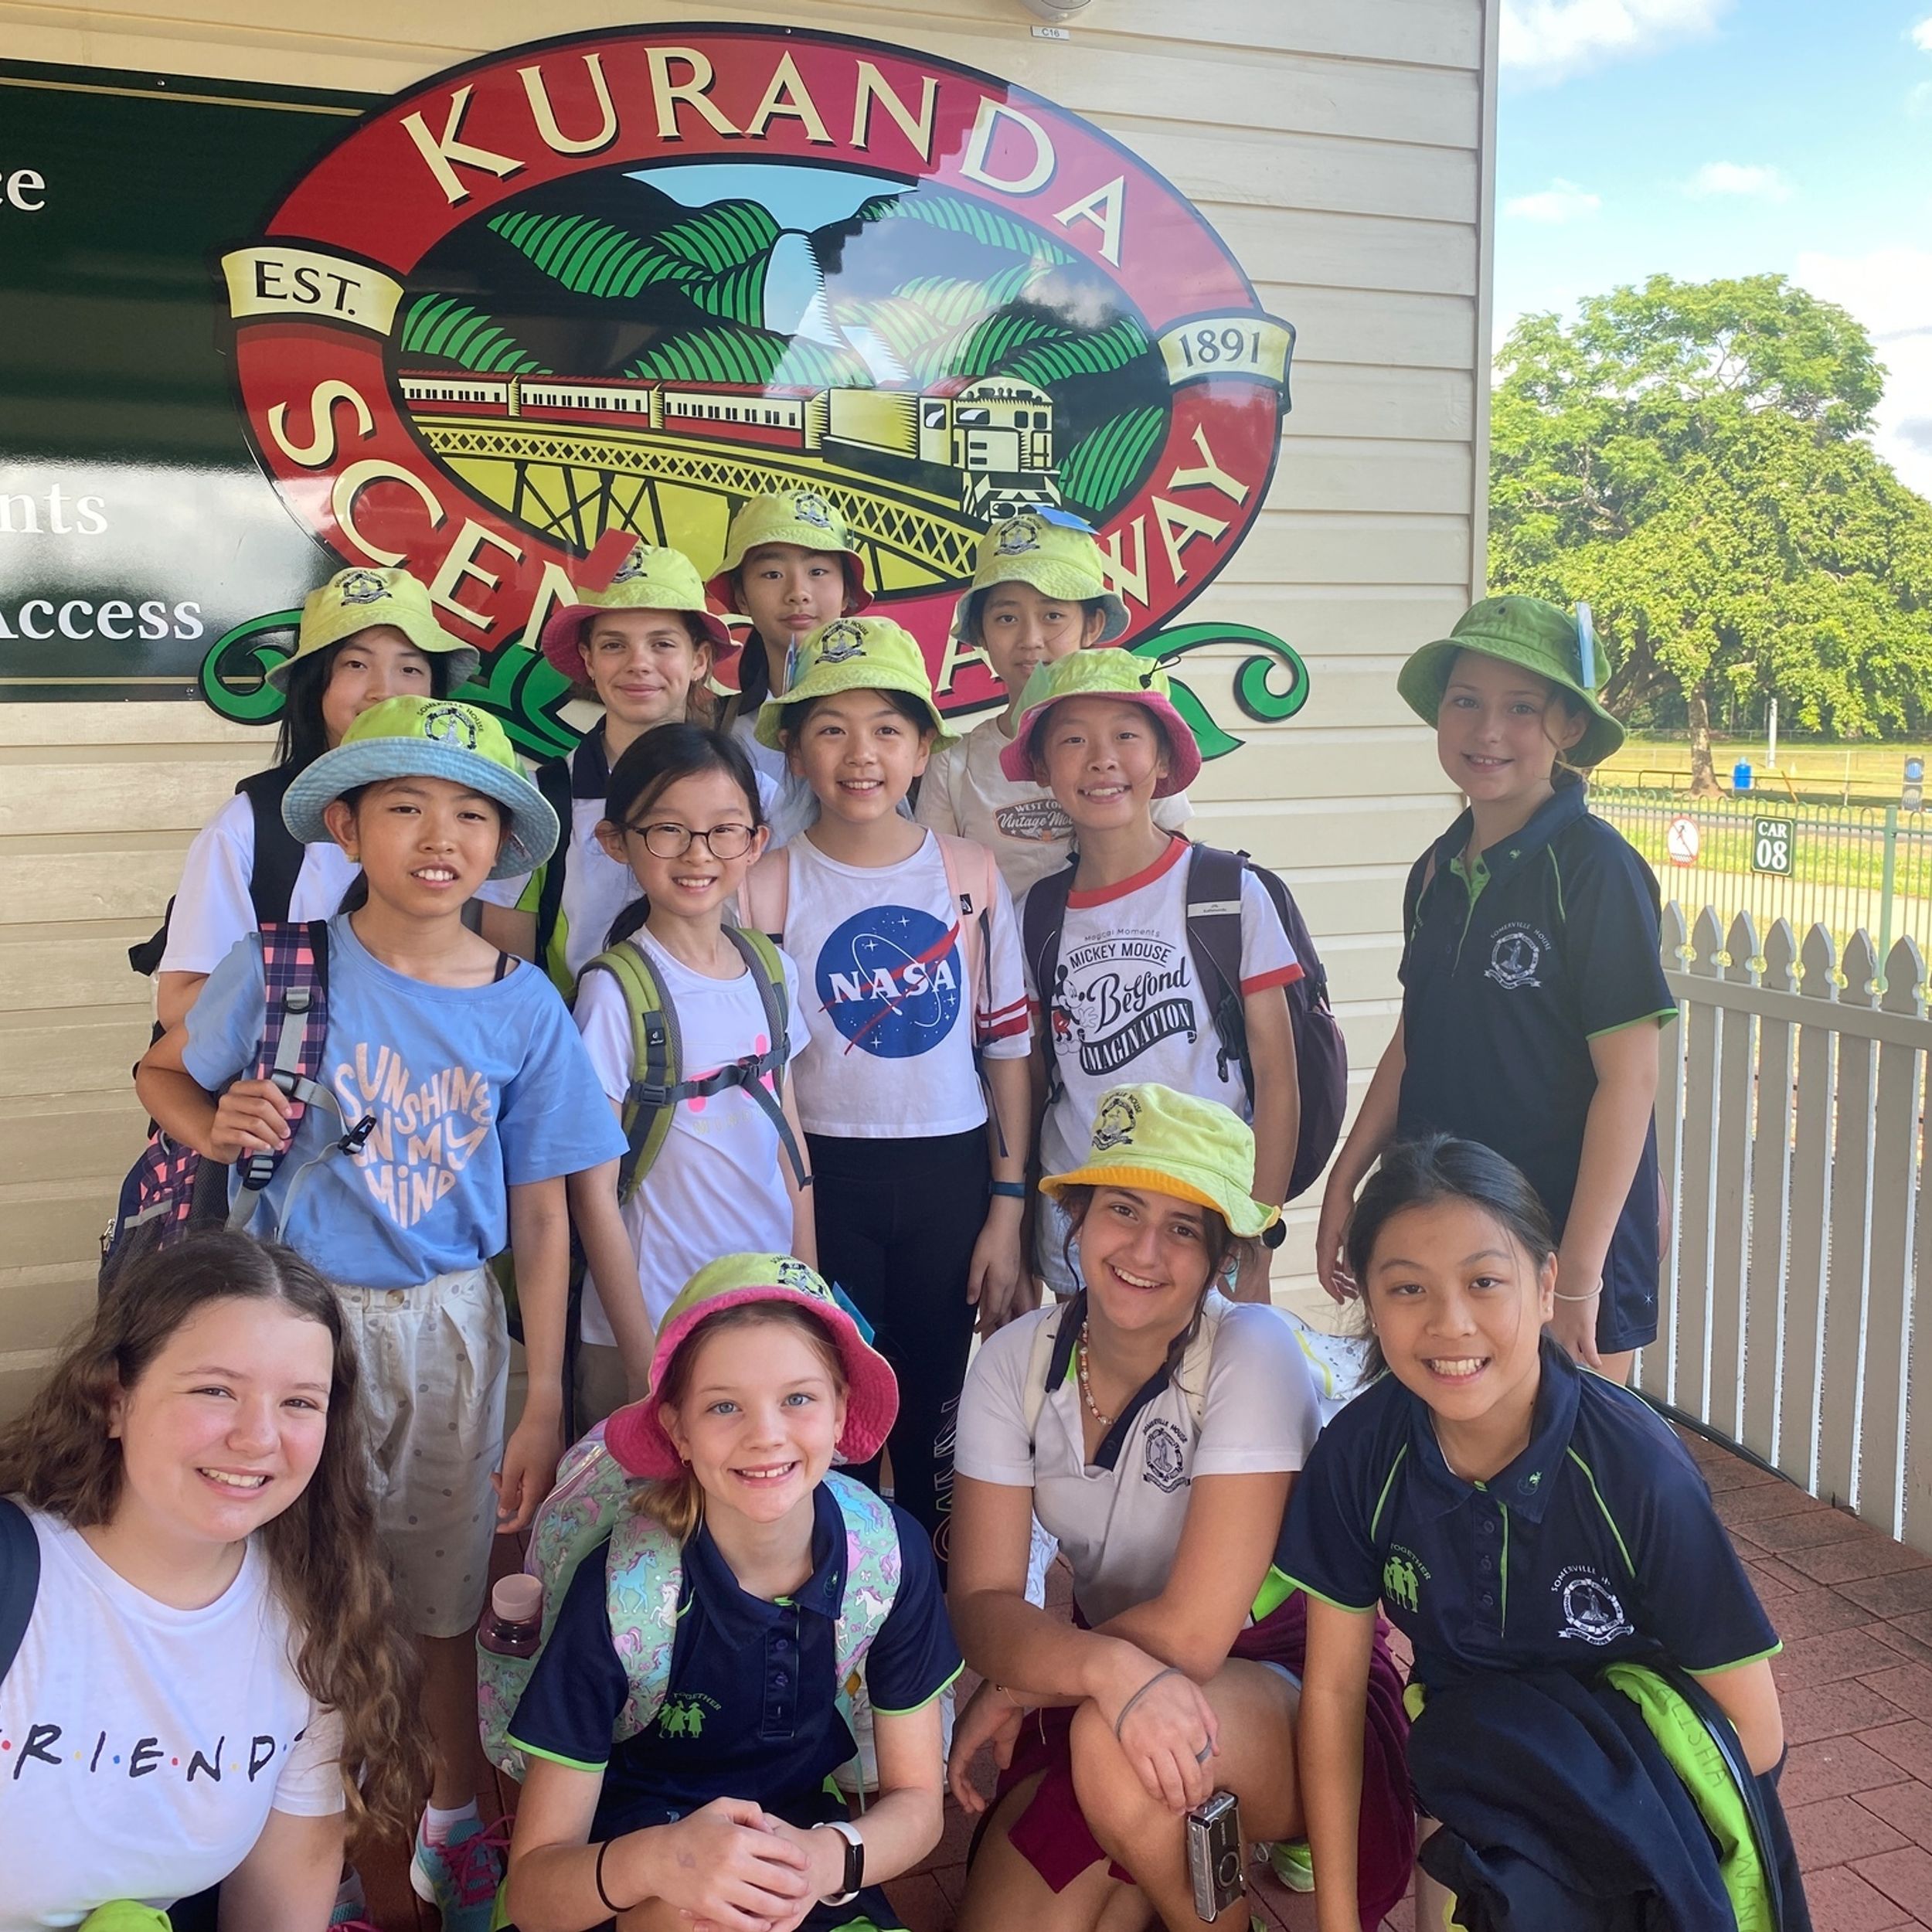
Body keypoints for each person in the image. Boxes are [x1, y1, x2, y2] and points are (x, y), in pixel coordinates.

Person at [134, 696, 625, 1930]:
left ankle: (451, 1824)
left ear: (501, 846)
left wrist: (546, 1397)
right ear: (348, 828)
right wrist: (212, 1123)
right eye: (404, 806)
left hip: (453, 1335)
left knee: (441, 1604)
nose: (438, 835)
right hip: (291, 1332)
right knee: (291, 1589)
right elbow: (164, 1070)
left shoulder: (524, 1005)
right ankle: (294, 1829)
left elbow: (546, 1215)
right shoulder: (285, 970)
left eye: (471, 814)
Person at [1281, 1134, 1807, 1932]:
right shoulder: (1359, 1456)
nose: (1451, 1323)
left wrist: (1581, 1821)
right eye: (1408, 1288)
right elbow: (1332, 1693)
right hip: (1473, 1771)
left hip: (1641, 1795)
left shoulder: (1637, 1472)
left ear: (1547, 1284)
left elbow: (1756, 1736)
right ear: (1370, 1304)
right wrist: (1337, 1921)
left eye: (1484, 1281)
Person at [946, 1083, 1411, 1932]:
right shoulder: (1014, 1363)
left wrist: (1021, 1685)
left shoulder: (1252, 1350)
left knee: (1114, 1751)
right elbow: (980, 1603)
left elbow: (1195, 1633)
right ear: (1077, 1217)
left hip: (1289, 1683)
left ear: (1220, 1257)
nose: (1145, 1250)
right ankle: (1162, 1869)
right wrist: (1071, 1673)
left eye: (1184, 1229)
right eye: (1122, 1209)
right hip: (1106, 1674)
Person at [502, 1253, 958, 1932]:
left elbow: (919, 1803)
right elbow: (535, 1890)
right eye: (724, 1406)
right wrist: (664, 1864)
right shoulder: (625, 1594)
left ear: (841, 1411)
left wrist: (818, 1862)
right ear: (677, 1430)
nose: (766, 1435)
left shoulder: (887, 1557)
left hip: (800, 1854)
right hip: (625, 1866)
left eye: (798, 1398)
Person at [0, 1231, 428, 1930]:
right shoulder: (17, 1577)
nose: (258, 1437)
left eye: (299, 1402)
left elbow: (281, 1898)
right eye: (215, 1390)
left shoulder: (318, 1618)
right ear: (114, 1399)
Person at [1314, 597, 1674, 1383]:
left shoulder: (1594, 870)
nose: (1487, 731)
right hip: (1442, 1236)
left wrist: (1577, 1279)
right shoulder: (1435, 870)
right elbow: (1414, 1039)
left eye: (1521, 708)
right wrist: (1346, 1177)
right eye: (1466, 701)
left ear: (1568, 726)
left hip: (1561, 1245)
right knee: (1435, 1434)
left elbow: (1630, 1080)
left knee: (1567, 1446)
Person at [741, 617, 1032, 1580]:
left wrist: (1006, 1207)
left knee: (937, 1406)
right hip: (823, 1181)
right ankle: (845, 1599)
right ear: (794, 750)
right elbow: (761, 1073)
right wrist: (792, 1218)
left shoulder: (968, 874)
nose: (860, 754)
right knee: (834, 1409)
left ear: (922, 747)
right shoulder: (766, 885)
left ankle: (938, 1612)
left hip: (950, 1174)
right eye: (830, 729)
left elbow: (1006, 1051)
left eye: (886, 730)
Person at [1003, 651, 1301, 1298]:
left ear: (1163, 761)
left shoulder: (1229, 893)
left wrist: (1258, 1235)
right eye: (1073, 740)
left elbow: (1278, 1077)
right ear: (1043, 769)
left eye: (1127, 736)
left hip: (1207, 1225)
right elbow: (1029, 1085)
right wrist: (1017, 1230)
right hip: (1080, 1230)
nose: (1101, 759)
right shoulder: (1034, 916)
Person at [566, 723, 816, 1427]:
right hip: (649, 1324)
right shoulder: (614, 993)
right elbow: (592, 1192)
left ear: (756, 842)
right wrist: (641, 1360)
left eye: (724, 830)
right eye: (667, 830)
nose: (698, 853)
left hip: (762, 1313)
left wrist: (808, 1294)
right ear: (616, 841)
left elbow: (791, 1150)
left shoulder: (772, 971)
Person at [151, 566, 477, 1030]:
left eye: (410, 668)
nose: (384, 691)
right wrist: (330, 976)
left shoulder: (466, 826)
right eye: (355, 664)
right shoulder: (251, 826)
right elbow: (179, 1005)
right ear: (313, 684)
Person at [475, 541, 740, 997]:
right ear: (588, 661)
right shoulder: (540, 802)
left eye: (662, 644)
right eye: (614, 645)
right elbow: (509, 976)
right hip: (577, 1034)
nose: (639, 664)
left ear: (698, 660)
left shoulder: (750, 795)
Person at [916, 511, 1190, 899]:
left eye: (1053, 615)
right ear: (982, 633)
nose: (1030, 638)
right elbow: (934, 887)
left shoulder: (1132, 750)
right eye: (1006, 618)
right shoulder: (954, 763)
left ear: (1092, 625)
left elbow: (1174, 873)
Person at [706, 488, 872, 847]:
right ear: (741, 595)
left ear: (846, 592)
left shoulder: (890, 728)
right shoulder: (715, 729)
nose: (798, 592)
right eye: (772, 574)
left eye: (818, 571)